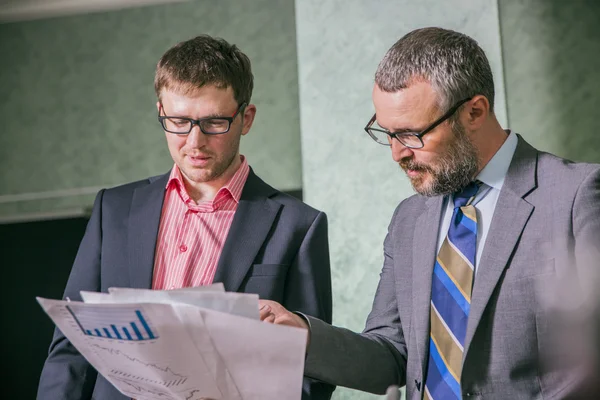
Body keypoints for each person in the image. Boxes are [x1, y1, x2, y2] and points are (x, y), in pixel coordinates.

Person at [259, 27, 600, 399]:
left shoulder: (578, 196)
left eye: (411, 134)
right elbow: (391, 353)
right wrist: (303, 336)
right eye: (386, 133)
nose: (397, 153)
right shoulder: (408, 220)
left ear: (475, 111)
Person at [37, 35, 334, 400]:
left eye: (214, 123)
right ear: (161, 111)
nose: (194, 141)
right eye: (178, 121)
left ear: (246, 118)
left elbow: (312, 373)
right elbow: (72, 347)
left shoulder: (299, 226)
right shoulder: (113, 209)